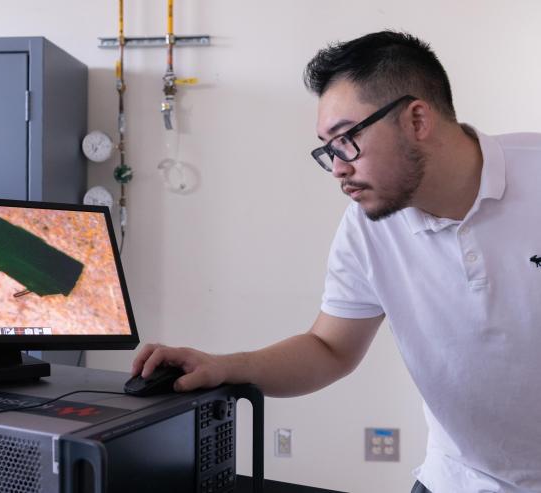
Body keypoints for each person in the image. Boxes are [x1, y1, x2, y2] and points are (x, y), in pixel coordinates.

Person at [131, 31, 541, 493]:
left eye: (346, 140)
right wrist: (223, 366)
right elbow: (330, 348)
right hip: (456, 479)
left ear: (417, 120)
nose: (338, 167)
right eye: (328, 150)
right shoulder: (369, 226)